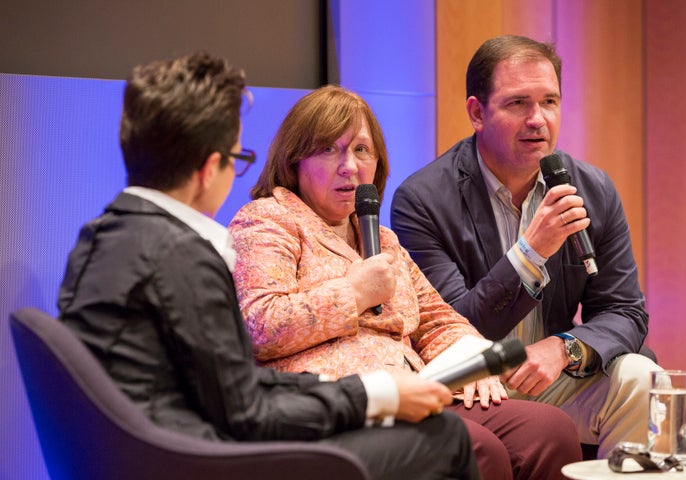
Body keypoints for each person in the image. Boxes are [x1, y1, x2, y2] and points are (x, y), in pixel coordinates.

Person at [56, 52, 482, 480]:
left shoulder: (103, 238)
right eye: (238, 158)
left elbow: (232, 384)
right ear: (209, 169)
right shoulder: (182, 257)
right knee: (446, 438)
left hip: (159, 449)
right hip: (199, 460)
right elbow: (246, 411)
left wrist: (374, 390)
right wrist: (372, 397)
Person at [229, 84, 582, 480]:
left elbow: (436, 320)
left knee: (548, 431)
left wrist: (473, 363)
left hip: (416, 389)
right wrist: (353, 293)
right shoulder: (267, 219)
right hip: (335, 401)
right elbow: (258, 325)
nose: (349, 166)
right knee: (473, 448)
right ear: (294, 161)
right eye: (329, 149)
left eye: (362, 150)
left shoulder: (381, 239)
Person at [390, 34, 660, 459]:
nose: (538, 119)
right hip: (471, 383)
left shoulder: (592, 188)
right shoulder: (422, 200)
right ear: (477, 112)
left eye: (549, 102)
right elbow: (453, 329)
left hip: (549, 373)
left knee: (644, 377)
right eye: (518, 103)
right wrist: (530, 253)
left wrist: (565, 348)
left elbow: (624, 310)